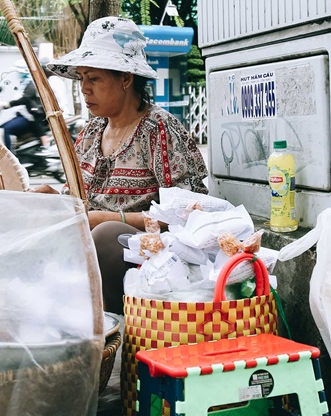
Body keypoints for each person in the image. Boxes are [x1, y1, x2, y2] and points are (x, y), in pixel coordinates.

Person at [38, 17, 208, 313]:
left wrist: (107, 218)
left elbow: (188, 212)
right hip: (88, 239)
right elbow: (77, 199)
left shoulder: (159, 129)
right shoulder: (91, 132)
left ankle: (114, 328)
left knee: (105, 235)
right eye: (82, 79)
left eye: (94, 78)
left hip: (148, 254)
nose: (84, 89)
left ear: (126, 79)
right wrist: (55, 201)